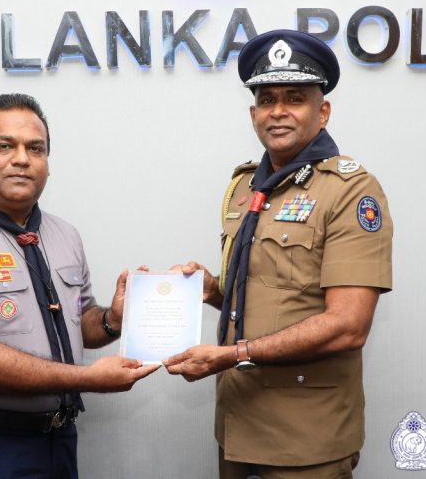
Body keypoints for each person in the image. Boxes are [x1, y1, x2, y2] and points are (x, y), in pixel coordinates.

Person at [163, 30, 393, 479]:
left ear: (322, 112)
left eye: (295, 98)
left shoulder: (350, 191)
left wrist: (233, 354)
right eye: (267, 100)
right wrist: (212, 290)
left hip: (304, 438)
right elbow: (269, 295)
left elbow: (349, 325)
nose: (278, 111)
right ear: (253, 114)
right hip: (237, 426)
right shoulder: (245, 185)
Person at [0, 93, 158, 479]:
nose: (22, 159)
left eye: (35, 148)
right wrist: (88, 378)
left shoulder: (64, 234)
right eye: (4, 146)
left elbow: (77, 324)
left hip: (58, 442)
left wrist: (112, 320)